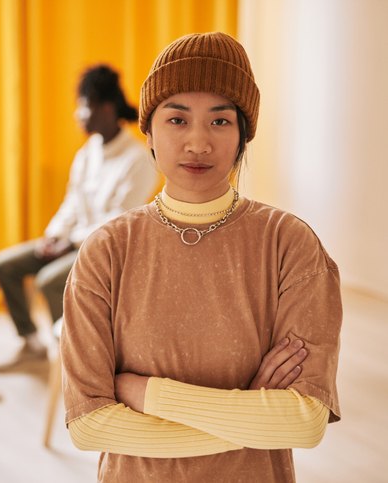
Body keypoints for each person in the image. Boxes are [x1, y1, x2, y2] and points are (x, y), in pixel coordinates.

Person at [60, 32, 342, 482]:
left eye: (220, 121)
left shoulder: (290, 243)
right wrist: (250, 414)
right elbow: (89, 425)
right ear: (148, 130)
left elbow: (304, 422)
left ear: (243, 135)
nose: (197, 142)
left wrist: (145, 393)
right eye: (176, 120)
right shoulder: (106, 251)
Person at [0, 64, 157, 372]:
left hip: (107, 248)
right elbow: (71, 201)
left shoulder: (138, 159)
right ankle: (33, 343)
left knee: (50, 282)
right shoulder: (87, 152)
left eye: (85, 106)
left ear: (106, 109)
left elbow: (118, 221)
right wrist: (54, 234)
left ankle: (76, 359)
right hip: (71, 241)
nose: (78, 115)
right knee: (5, 265)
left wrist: (69, 242)